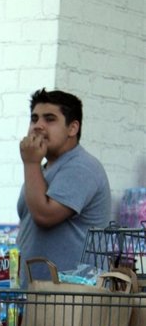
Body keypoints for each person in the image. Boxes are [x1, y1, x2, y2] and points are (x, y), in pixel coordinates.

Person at [16, 89, 112, 284]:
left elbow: (45, 215)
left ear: (72, 128)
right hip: (36, 297)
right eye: (34, 119)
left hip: (69, 304)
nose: (38, 126)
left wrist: (31, 163)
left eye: (50, 119)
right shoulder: (42, 170)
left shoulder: (82, 166)